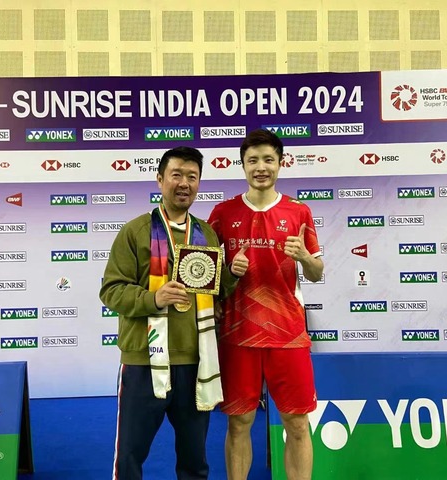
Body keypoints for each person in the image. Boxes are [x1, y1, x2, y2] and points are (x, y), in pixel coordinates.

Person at [100, 146, 247, 480]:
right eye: (176, 175)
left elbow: (213, 292)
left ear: (199, 184)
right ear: (160, 180)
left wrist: (231, 275)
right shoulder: (135, 231)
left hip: (195, 362)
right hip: (144, 361)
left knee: (195, 463)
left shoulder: (206, 234)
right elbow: (111, 290)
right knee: (130, 458)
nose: (184, 183)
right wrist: (154, 298)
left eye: (192, 177)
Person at [208, 129, 324, 480]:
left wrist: (304, 257)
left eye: (268, 160)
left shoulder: (299, 211)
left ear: (280, 163)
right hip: (237, 334)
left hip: (287, 334)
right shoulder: (223, 212)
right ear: (243, 165)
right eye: (253, 160)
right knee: (239, 422)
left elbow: (317, 273)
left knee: (297, 422)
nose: (261, 167)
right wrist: (227, 272)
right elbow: (205, 274)